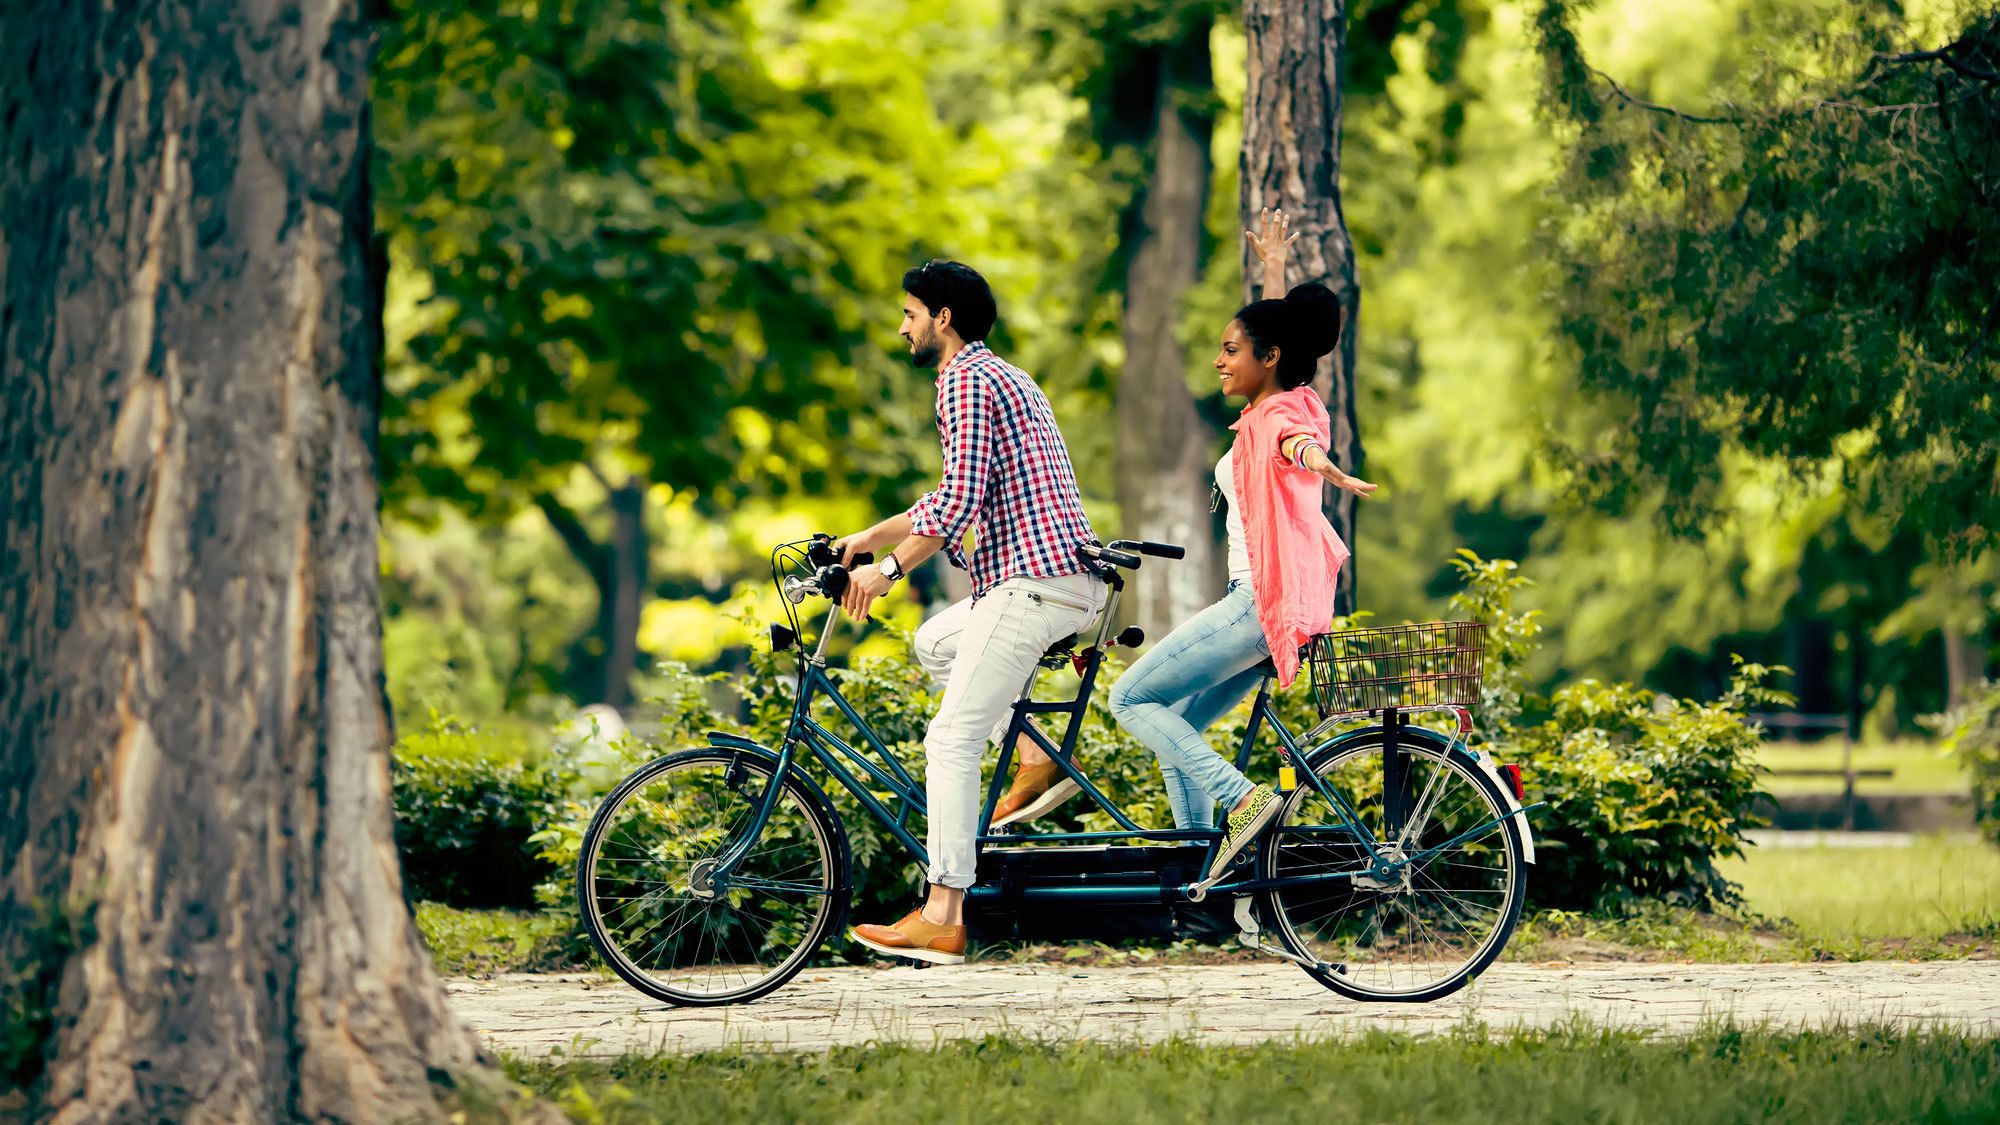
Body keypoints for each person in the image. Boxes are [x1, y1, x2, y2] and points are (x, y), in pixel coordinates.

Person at [832, 260, 1105, 964]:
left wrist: (887, 568)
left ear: (942, 317)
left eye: (910, 313)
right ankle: (1033, 752)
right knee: (936, 642)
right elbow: (965, 494)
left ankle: (943, 909)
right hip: (1061, 578)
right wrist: (870, 537)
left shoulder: (962, 381)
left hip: (1035, 581)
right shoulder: (1004, 374)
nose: (903, 326)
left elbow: (956, 502)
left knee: (949, 740)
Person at [1110, 208, 1377, 880]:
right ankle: (1202, 881)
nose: (1219, 360)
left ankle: (1244, 798)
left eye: (1231, 350)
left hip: (1256, 603)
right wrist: (1275, 270)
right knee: (1176, 728)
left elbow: (1296, 443)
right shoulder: (1290, 397)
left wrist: (1327, 467)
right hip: (1278, 608)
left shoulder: (1284, 418)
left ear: (1269, 359)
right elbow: (1276, 342)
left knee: (1130, 702)